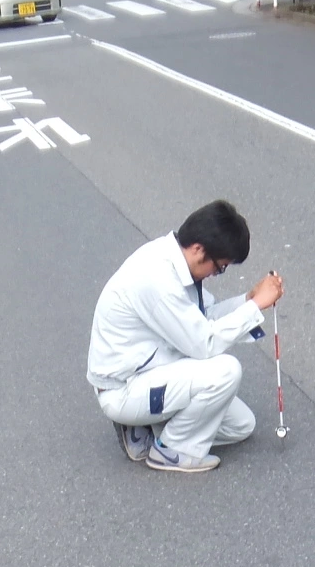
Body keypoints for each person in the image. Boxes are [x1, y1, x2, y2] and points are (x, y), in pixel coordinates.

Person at [88, 199, 285, 475]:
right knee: (226, 371)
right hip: (123, 387)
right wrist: (255, 307)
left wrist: (248, 299)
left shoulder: (176, 262)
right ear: (198, 249)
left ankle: (146, 425)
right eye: (220, 267)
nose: (218, 274)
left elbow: (205, 316)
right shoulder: (157, 278)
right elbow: (204, 344)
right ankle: (171, 451)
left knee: (242, 425)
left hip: (154, 369)